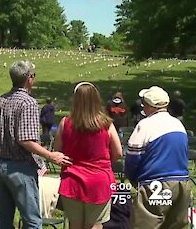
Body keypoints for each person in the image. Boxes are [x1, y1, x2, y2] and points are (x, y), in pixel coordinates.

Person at [0, 60, 72, 229]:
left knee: (3, 222)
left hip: (1, 166)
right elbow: (25, 140)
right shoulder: (28, 103)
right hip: (21, 169)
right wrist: (50, 155)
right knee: (32, 221)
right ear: (29, 78)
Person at [54, 82, 123, 229]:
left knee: (75, 225)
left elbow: (57, 152)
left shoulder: (65, 123)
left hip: (72, 181)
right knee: (95, 225)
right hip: (100, 181)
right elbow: (118, 153)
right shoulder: (106, 124)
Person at [125, 86, 190, 229]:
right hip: (182, 184)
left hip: (155, 184)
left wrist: (134, 180)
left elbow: (132, 159)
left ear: (149, 106)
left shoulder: (145, 125)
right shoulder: (178, 124)